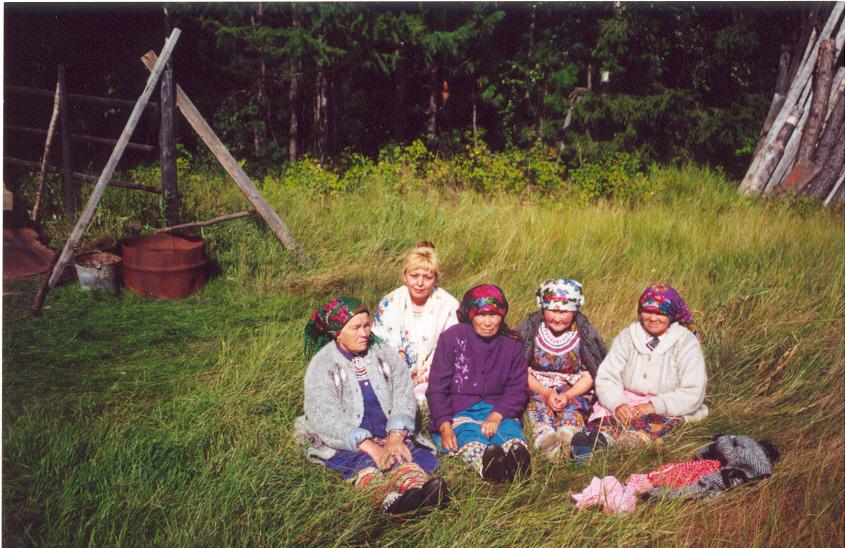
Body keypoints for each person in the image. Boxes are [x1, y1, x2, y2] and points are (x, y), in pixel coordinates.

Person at [296, 297, 448, 515]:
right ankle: (391, 503)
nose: (364, 333)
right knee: (365, 465)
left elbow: (404, 392)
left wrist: (395, 436)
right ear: (336, 333)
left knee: (404, 455)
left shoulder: (383, 352)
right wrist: (369, 446)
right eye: (355, 328)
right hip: (350, 440)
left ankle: (420, 492)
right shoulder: (322, 365)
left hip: (388, 430)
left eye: (367, 325)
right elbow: (324, 415)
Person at [574, 284, 707, 458]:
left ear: (671, 315)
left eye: (660, 313)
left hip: (666, 405)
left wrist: (654, 406)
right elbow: (607, 377)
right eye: (647, 311)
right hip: (627, 400)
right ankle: (594, 444)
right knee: (608, 420)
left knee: (649, 425)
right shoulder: (627, 337)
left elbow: (693, 391)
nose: (652, 318)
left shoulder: (685, 343)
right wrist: (618, 403)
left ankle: (621, 449)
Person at [426, 285, 531, 484]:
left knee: (509, 432)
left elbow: (517, 387)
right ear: (470, 314)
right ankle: (488, 467)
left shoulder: (513, 343)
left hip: (498, 409)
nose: (488, 322)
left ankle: (516, 461)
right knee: (468, 436)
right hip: (460, 411)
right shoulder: (451, 339)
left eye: (494, 315)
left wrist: (496, 415)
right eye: (481, 315)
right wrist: (444, 425)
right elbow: (437, 387)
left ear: (503, 314)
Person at [515, 279, 608, 459]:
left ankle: (570, 438)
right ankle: (545, 440)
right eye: (552, 310)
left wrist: (568, 395)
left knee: (575, 409)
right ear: (542, 308)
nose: (557, 317)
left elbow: (590, 375)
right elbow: (522, 371)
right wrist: (546, 392)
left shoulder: (583, 335)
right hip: (537, 388)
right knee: (536, 408)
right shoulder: (531, 332)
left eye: (564, 311)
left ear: (575, 311)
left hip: (573, 391)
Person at [372, 241, 460, 405]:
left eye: (427, 277)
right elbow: (379, 345)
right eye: (414, 276)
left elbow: (449, 351)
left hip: (432, 378)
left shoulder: (449, 306)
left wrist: (420, 379)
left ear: (435, 279)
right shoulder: (389, 303)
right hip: (393, 376)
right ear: (404, 276)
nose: (420, 283)